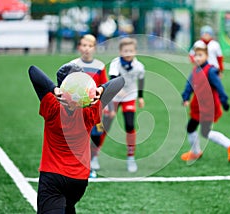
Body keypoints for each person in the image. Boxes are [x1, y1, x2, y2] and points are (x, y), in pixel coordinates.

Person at [29, 63, 124, 214]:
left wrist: (54, 90)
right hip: (79, 181)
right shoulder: (91, 111)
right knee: (67, 208)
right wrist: (101, 90)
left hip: (53, 177)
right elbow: (120, 81)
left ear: (62, 85)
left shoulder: (52, 106)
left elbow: (33, 71)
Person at [181, 40, 230, 163]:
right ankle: (196, 152)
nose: (197, 58)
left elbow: (219, 86)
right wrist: (185, 97)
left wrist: (224, 101)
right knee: (191, 127)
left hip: (208, 107)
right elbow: (189, 85)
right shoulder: (195, 70)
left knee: (205, 132)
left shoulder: (210, 71)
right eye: (196, 55)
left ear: (207, 56)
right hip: (197, 106)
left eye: (200, 55)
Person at [64, 34, 110, 174]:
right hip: (78, 108)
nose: (87, 49)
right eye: (84, 45)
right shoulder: (73, 65)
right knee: (81, 136)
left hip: (96, 108)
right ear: (79, 47)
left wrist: (107, 105)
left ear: (94, 48)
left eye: (90, 46)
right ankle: (80, 164)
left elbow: (104, 85)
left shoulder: (100, 66)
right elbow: (66, 85)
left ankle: (93, 158)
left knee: (97, 134)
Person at [101, 37, 145, 173]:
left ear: (135, 51)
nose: (128, 53)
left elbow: (141, 80)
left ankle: (130, 157)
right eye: (125, 50)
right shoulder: (115, 64)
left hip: (130, 97)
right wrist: (118, 92)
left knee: (130, 125)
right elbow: (113, 81)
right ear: (120, 52)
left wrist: (141, 97)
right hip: (114, 97)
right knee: (104, 126)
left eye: (131, 50)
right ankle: (94, 154)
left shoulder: (139, 66)